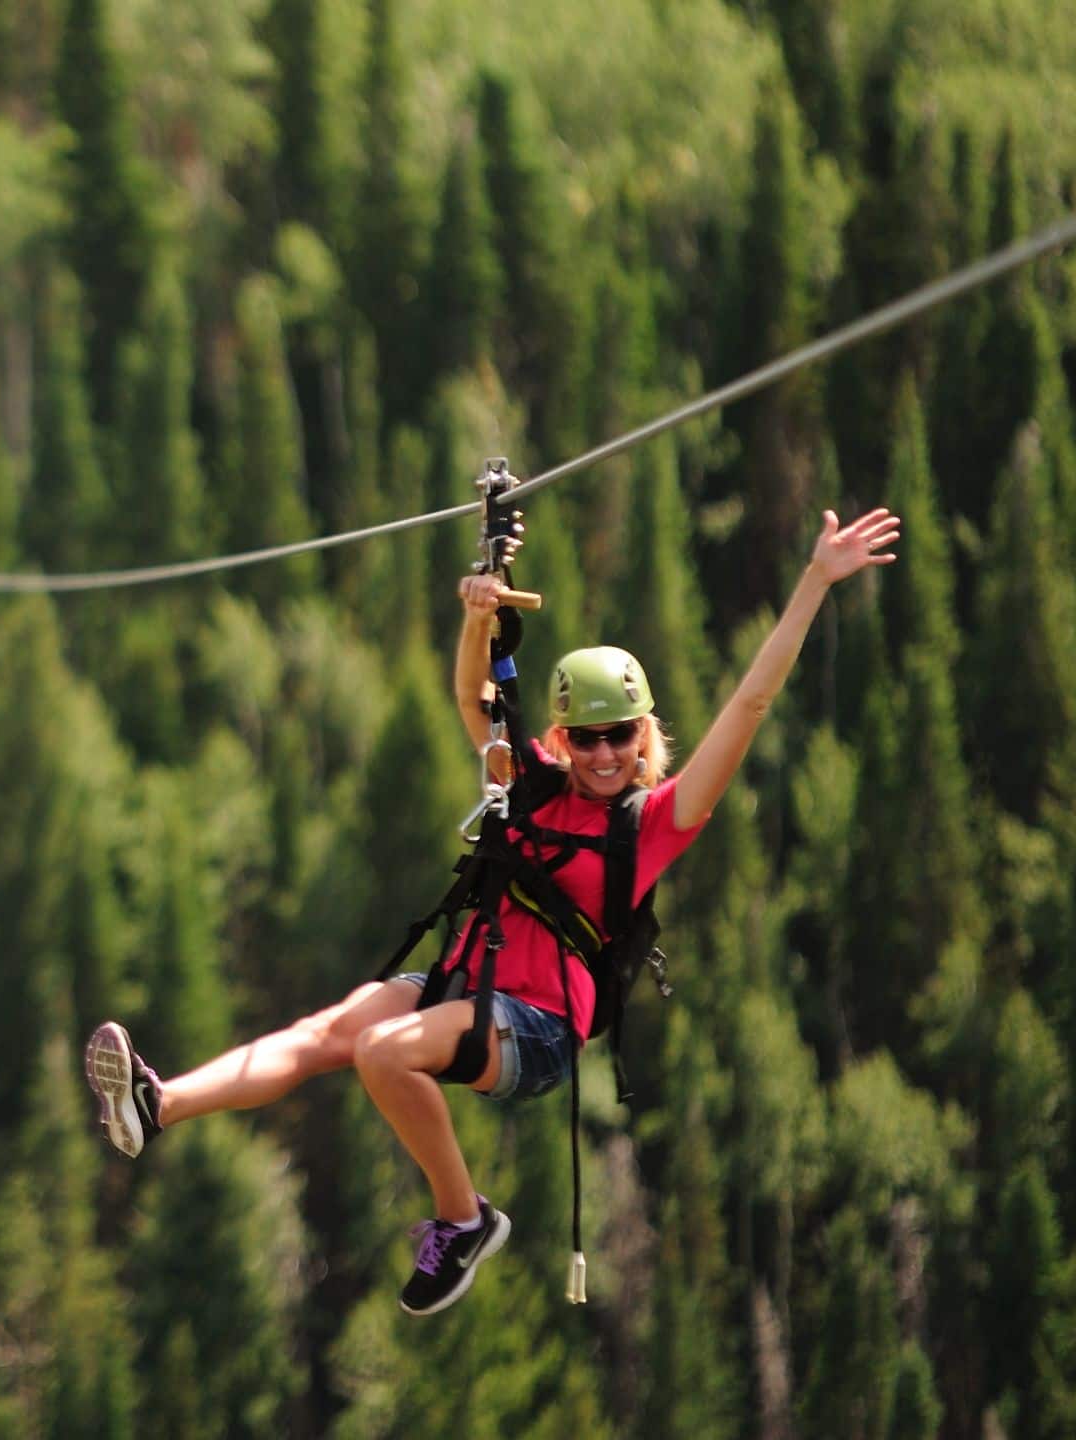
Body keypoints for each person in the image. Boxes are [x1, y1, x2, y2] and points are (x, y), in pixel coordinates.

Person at [85, 507, 899, 1314]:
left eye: (620, 736)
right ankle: (160, 1106)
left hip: (538, 1024)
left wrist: (814, 583)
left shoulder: (653, 826)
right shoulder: (533, 780)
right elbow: (473, 699)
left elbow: (749, 706)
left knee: (380, 1051)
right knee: (329, 1033)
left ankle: (463, 1218)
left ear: (643, 734)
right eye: (587, 739)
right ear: (563, 739)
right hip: (468, 985)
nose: (605, 754)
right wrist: (479, 619)